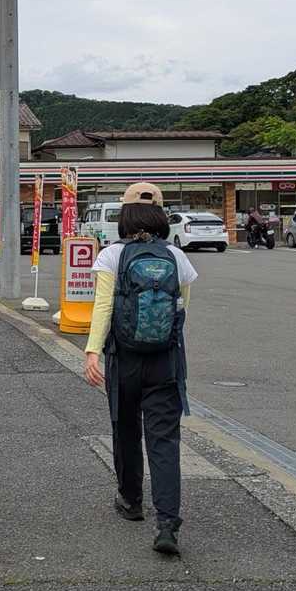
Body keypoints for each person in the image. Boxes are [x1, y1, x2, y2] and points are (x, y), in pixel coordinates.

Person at [82, 182, 198, 556]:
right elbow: (181, 308)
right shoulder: (175, 256)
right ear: (161, 214)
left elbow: (103, 307)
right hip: (165, 360)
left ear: (125, 214)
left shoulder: (112, 255)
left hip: (124, 358)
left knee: (126, 429)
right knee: (164, 440)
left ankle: (131, 501)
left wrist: (92, 351)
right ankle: (167, 524)